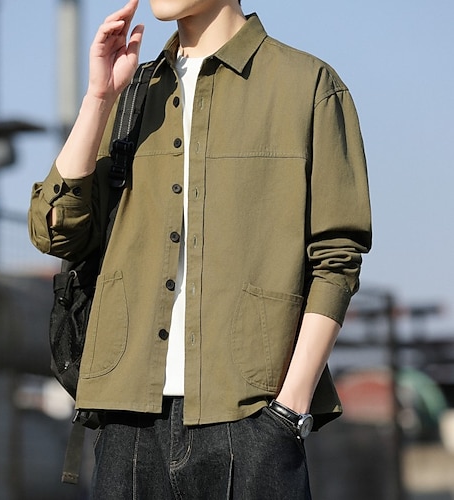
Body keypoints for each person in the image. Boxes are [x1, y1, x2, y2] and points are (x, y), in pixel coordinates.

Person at [28, 0, 372, 498]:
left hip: (251, 417)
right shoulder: (132, 93)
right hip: (128, 423)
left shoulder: (308, 86)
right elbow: (55, 232)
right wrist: (98, 97)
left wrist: (289, 409)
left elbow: (337, 256)